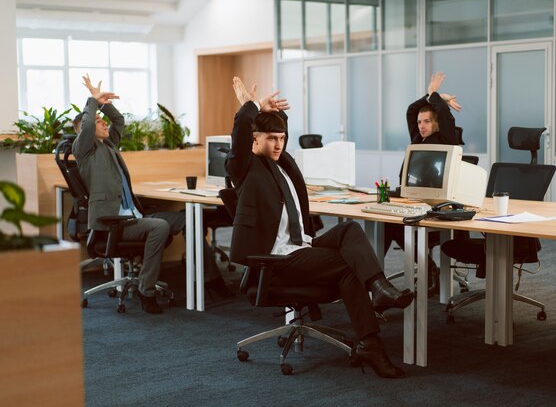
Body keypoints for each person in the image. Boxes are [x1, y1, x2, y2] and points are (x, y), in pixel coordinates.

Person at [226, 76, 414, 379]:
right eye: (270, 139)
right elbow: (238, 139)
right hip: (278, 259)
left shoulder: (281, 163)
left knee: (349, 229)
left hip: (302, 245)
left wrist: (274, 115)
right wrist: (252, 107)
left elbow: (278, 134)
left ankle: (379, 289)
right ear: (254, 139)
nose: (277, 145)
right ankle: (371, 343)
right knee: (346, 266)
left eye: (281, 138)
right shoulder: (246, 168)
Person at [72, 75, 231, 314]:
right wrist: (91, 101)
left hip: (133, 215)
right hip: (113, 221)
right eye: (98, 121)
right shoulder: (84, 150)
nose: (104, 123)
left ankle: (211, 279)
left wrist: (104, 104)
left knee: (191, 218)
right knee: (158, 227)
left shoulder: (109, 145)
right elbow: (86, 127)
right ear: (85, 128)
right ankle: (146, 291)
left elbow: (118, 120)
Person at [385, 72, 463, 292]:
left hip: (438, 205)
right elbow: (412, 110)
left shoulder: (448, 141)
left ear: (436, 124)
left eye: (427, 121)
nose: (421, 125)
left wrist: (436, 97)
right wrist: (429, 96)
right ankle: (373, 277)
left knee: (397, 225)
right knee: (387, 224)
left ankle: (428, 268)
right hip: (412, 200)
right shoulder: (418, 139)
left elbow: (448, 120)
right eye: (420, 122)